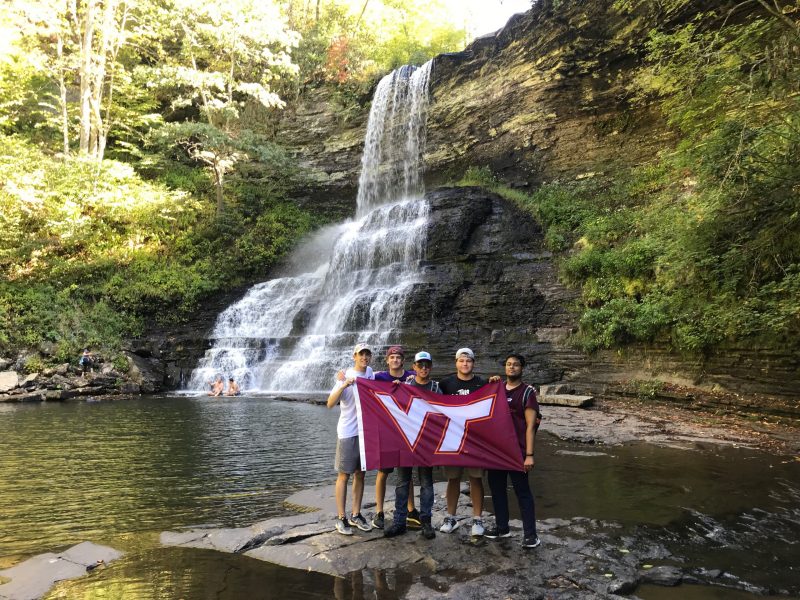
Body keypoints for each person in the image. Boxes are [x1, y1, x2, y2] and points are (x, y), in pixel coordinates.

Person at [438, 347, 499, 536]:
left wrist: (495, 383)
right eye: (461, 361)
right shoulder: (445, 384)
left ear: (473, 363)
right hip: (452, 440)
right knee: (452, 478)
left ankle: (477, 519)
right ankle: (451, 517)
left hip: (474, 440)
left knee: (476, 478)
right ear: (456, 363)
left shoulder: (482, 384)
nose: (465, 364)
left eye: (469, 361)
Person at [485, 353, 542, 548]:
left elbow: (530, 426)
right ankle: (502, 527)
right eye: (508, 364)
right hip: (496, 452)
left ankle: (530, 535)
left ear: (522, 368)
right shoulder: (497, 389)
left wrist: (529, 455)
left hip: (518, 452)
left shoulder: (527, 393)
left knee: (522, 492)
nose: (512, 368)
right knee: (497, 491)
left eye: (516, 365)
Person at [384, 351, 439, 540]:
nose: (423, 368)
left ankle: (426, 523)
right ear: (413, 367)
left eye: (427, 365)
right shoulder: (404, 386)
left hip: (426, 442)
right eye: (420, 365)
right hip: (406, 440)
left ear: (430, 367)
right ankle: (399, 522)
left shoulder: (436, 388)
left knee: (426, 483)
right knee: (402, 482)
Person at [326, 343, 375, 535]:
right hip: (347, 432)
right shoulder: (344, 377)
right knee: (343, 475)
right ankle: (341, 517)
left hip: (365, 433)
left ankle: (356, 514)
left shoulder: (370, 372)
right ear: (354, 356)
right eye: (361, 354)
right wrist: (344, 384)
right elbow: (330, 403)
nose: (364, 357)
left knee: (360, 474)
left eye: (367, 354)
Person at [371, 346, 419, 530]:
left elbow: (425, 382)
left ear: (403, 360)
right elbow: (360, 377)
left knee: (407, 472)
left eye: (399, 357)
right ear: (387, 360)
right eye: (392, 357)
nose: (395, 360)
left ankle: (411, 510)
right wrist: (343, 376)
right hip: (387, 432)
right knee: (383, 472)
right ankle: (379, 511)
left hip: (407, 432)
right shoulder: (379, 377)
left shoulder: (411, 376)